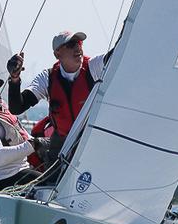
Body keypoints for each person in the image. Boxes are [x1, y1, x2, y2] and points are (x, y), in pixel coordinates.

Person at [7, 31, 113, 163]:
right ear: (57, 54)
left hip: (92, 140)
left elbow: (119, 54)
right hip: (62, 142)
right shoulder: (47, 78)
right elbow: (17, 107)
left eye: (78, 43)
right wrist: (15, 78)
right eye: (70, 45)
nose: (77, 48)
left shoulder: (94, 66)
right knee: (52, 180)